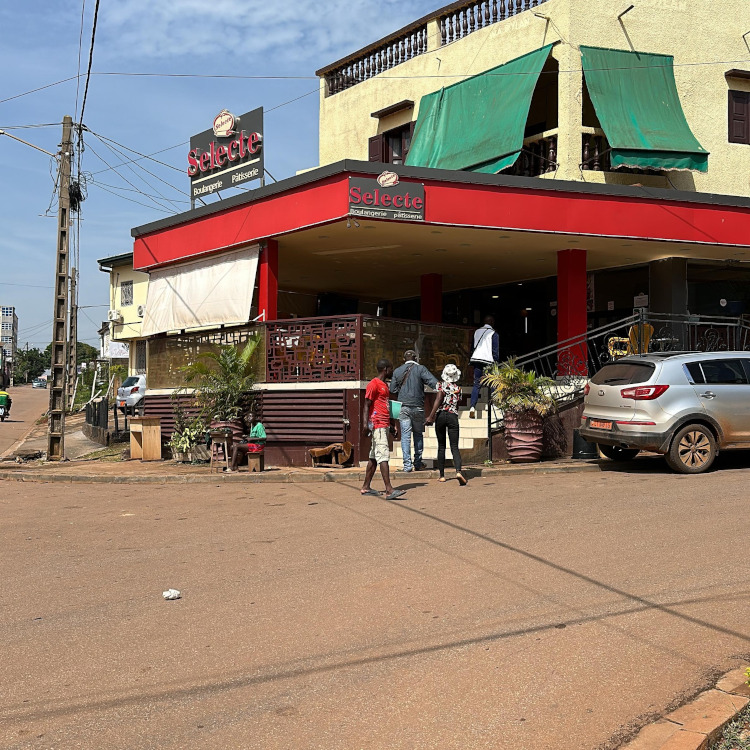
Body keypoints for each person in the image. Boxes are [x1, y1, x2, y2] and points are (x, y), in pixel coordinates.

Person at [360, 358, 406, 500]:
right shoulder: (373, 384)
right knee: (383, 456)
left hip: (384, 424)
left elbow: (386, 406)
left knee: (374, 457)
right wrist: (365, 425)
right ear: (385, 369)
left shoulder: (384, 386)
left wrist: (392, 425)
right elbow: (366, 405)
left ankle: (366, 487)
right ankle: (389, 489)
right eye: (391, 368)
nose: (392, 371)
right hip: (378, 425)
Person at [390, 349, 438, 472]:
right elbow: (435, 384)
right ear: (416, 359)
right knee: (418, 434)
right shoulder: (421, 369)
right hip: (418, 407)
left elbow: (393, 390)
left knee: (405, 436)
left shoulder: (397, 371)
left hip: (403, 407)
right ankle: (417, 463)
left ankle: (407, 465)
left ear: (403, 359)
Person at [426, 364, 467, 486]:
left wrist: (431, 415)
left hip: (441, 416)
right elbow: (458, 405)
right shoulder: (459, 389)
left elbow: (439, 398)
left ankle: (442, 475)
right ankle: (458, 471)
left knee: (441, 445)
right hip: (453, 416)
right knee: (454, 446)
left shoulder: (440, 385)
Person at [469, 316, 500, 418]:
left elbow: (473, 346)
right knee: (491, 383)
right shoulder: (493, 333)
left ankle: (472, 407)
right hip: (488, 360)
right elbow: (495, 351)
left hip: (476, 359)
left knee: (477, 383)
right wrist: (496, 362)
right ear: (492, 322)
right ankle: (492, 405)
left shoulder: (477, 331)